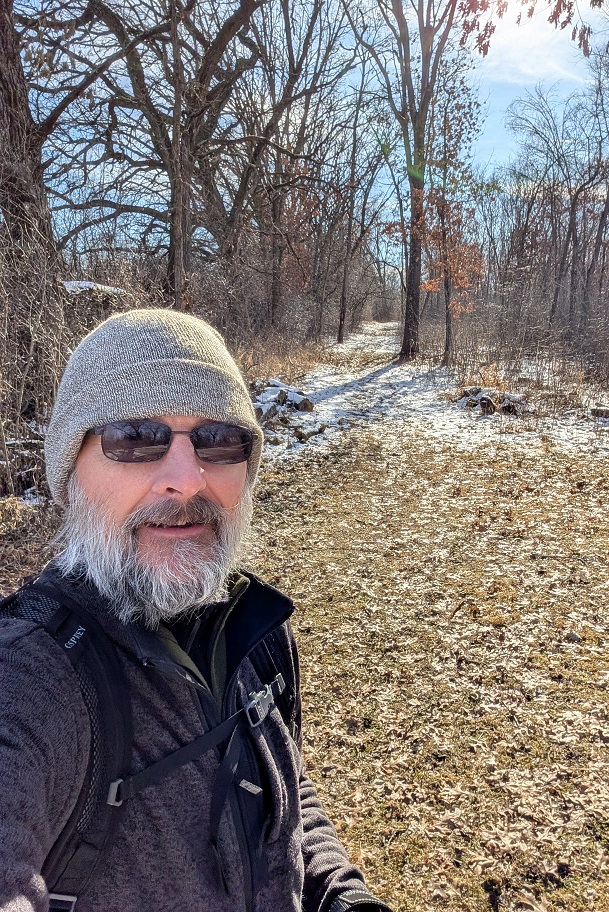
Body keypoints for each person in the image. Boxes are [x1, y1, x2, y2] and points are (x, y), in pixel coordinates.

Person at [0, 309, 392, 912]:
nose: (187, 478)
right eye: (134, 438)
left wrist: (338, 895)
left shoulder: (252, 627)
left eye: (219, 439)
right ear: (69, 470)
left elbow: (279, 793)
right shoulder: (33, 676)